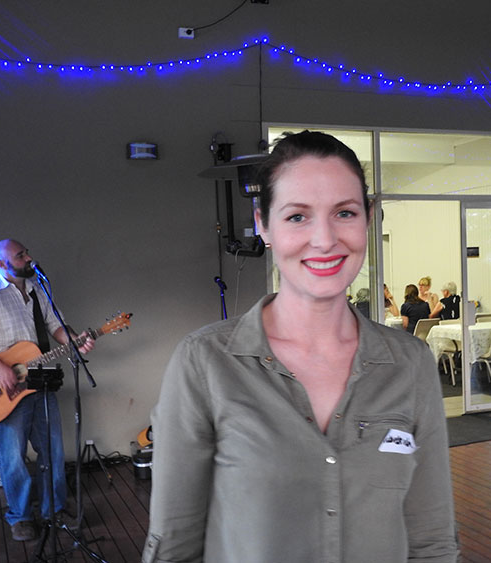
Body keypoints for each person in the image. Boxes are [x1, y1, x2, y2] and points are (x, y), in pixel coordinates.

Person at [142, 131, 458, 562]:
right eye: (297, 216)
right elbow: (174, 547)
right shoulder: (205, 363)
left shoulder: (410, 363)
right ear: (263, 224)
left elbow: (432, 541)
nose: (324, 239)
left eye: (344, 213)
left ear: (367, 218)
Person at [0, 239, 94, 542]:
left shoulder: (38, 289)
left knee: (52, 451)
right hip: (5, 390)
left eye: (26, 252)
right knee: (12, 458)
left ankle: (54, 509)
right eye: (21, 255)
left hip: (40, 381)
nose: (29, 257)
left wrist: (75, 340)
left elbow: (56, 325)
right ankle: (21, 517)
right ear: (3, 264)